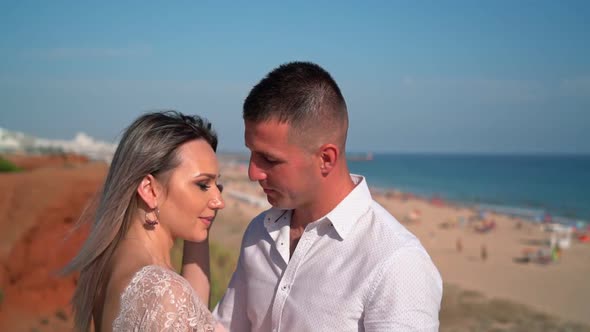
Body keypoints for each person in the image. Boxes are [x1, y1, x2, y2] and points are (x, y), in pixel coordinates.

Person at [212, 62, 443, 331]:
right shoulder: (259, 233)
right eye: (251, 153)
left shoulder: (396, 262)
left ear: (325, 158)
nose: (253, 172)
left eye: (269, 159)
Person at [63, 111, 227, 331]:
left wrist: (201, 221)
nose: (219, 201)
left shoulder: (107, 265)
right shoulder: (165, 293)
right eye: (203, 185)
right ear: (150, 189)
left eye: (218, 185)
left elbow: (193, 312)